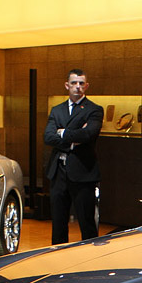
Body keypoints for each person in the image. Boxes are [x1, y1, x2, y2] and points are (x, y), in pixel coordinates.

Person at [44, 68, 104, 244]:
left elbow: (88, 135)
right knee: (58, 222)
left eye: (81, 83)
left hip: (83, 172)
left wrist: (62, 133)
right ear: (67, 85)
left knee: (86, 222)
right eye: (73, 83)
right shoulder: (57, 110)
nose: (77, 87)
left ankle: (89, 260)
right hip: (58, 172)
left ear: (86, 86)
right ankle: (58, 259)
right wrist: (72, 137)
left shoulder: (94, 110)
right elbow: (48, 136)